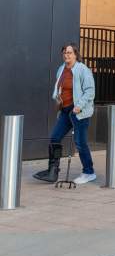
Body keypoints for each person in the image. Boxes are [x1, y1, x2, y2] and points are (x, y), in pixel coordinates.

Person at [34, 43, 96, 184]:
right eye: (64, 53)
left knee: (80, 143)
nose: (66, 55)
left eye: (69, 52)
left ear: (75, 54)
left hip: (79, 111)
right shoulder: (62, 69)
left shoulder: (82, 69)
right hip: (65, 110)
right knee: (55, 138)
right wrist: (59, 100)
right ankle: (52, 171)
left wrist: (79, 106)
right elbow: (60, 88)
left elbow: (90, 91)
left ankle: (89, 172)